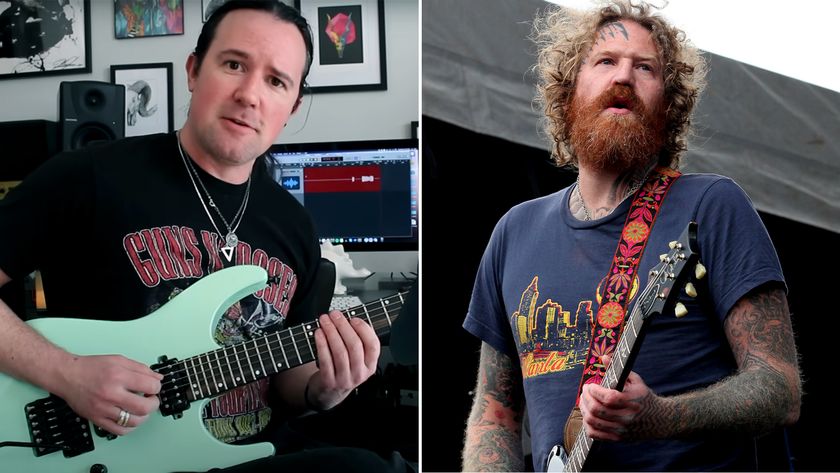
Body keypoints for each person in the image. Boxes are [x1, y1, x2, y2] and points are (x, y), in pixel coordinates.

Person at [0, 1, 402, 472]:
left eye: (276, 81)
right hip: (108, 455)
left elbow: (291, 382)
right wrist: (66, 374)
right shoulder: (87, 177)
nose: (250, 95)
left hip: (250, 454)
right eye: (234, 64)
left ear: (291, 107)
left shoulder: (296, 225)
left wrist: (326, 387)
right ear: (194, 70)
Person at [461, 1, 801, 471]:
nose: (623, 78)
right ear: (568, 93)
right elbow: (494, 415)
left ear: (669, 106)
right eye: (605, 62)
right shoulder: (514, 231)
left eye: (645, 68)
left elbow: (779, 388)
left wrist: (662, 416)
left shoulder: (710, 205)